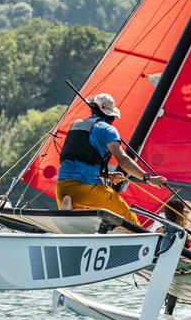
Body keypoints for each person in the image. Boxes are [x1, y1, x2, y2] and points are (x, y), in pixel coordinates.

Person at [56, 92, 166, 225]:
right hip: (86, 187)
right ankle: (140, 237)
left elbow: (76, 160)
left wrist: (106, 175)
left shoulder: (77, 124)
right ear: (111, 115)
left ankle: (68, 205)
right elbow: (123, 160)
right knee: (126, 216)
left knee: (77, 224)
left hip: (62, 185)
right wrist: (148, 178)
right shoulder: (108, 130)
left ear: (92, 108)